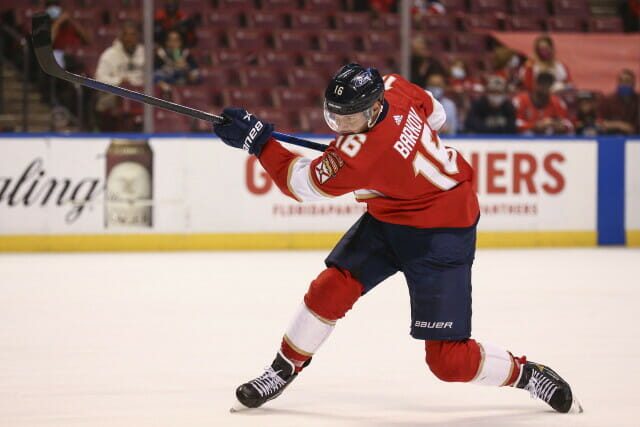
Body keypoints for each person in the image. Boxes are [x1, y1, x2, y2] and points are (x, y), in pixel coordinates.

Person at [212, 63, 582, 415]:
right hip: (391, 218)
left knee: (449, 360)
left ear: (375, 108)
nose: (341, 125)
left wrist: (259, 143)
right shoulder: (394, 86)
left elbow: (300, 183)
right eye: (335, 114)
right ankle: (283, 368)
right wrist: (400, 162)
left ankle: (527, 374)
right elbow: (436, 115)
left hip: (442, 233)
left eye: (349, 117)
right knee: (330, 289)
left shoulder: (358, 156)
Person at [94, 21, 145, 131]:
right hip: (115, 93)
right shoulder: (109, 54)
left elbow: (150, 77)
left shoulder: (144, 53)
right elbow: (99, 79)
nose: (130, 39)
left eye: (133, 35)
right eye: (127, 35)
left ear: (138, 37)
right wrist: (119, 81)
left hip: (140, 94)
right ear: (121, 37)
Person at [154, 30, 200, 94]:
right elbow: (154, 76)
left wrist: (186, 68)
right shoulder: (160, 56)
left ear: (181, 42)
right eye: (170, 40)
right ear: (166, 42)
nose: (173, 44)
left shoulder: (187, 55)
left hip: (185, 91)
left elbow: (196, 78)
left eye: (176, 40)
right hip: (166, 92)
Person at [598, 69, 639, 135]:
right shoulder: (608, 100)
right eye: (621, 81)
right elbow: (600, 123)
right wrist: (619, 125)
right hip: (612, 136)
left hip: (635, 137)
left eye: (627, 81)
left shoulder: (637, 100)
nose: (624, 84)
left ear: (633, 83)